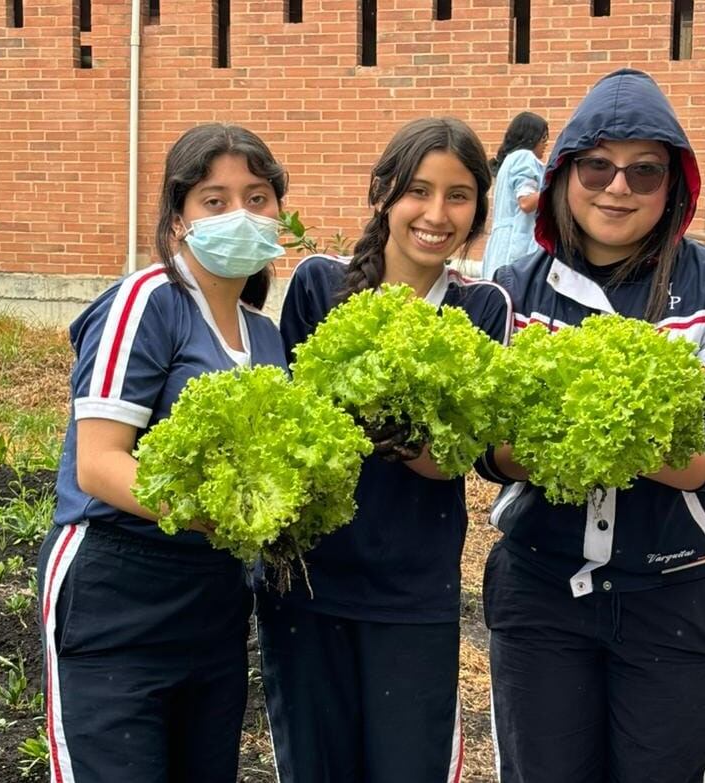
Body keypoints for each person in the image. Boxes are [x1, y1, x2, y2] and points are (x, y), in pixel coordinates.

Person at [478, 68, 705, 783]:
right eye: (598, 166)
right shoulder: (514, 291)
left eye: (644, 172)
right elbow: (484, 447)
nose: (618, 187)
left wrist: (641, 450)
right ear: (565, 173)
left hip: (672, 598)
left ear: (673, 183)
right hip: (541, 594)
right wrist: (538, 449)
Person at [256, 117, 513, 783]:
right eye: (418, 191)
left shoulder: (480, 307)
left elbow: (452, 456)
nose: (436, 214)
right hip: (306, 587)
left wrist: (376, 418)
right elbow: (291, 430)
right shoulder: (318, 284)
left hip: (412, 588)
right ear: (383, 194)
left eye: (458, 196)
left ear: (479, 209)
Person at [36, 123, 289, 783]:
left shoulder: (265, 337)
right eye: (215, 199)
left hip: (212, 604)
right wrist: (219, 510)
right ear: (177, 219)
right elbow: (100, 460)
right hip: (117, 593)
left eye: (258, 197)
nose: (240, 214)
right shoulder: (147, 302)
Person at [481, 111, 549, 279]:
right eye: (544, 138)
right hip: (516, 243)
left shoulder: (509, 160)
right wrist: (557, 189)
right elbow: (526, 202)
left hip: (501, 244)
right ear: (533, 138)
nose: (546, 144)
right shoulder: (524, 157)